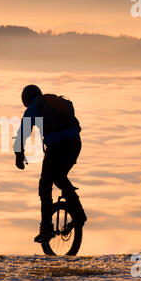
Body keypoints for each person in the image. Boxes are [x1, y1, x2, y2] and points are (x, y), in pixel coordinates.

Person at [13, 85, 87, 243]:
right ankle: (78, 212)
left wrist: (19, 156)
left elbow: (23, 133)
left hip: (57, 146)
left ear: (26, 100)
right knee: (59, 177)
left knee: (45, 185)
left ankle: (46, 227)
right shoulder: (60, 102)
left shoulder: (34, 108)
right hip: (75, 144)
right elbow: (76, 126)